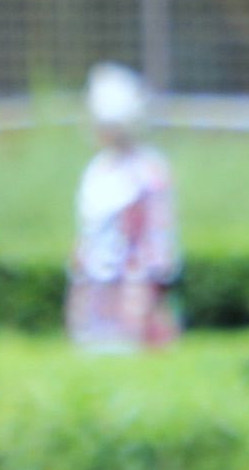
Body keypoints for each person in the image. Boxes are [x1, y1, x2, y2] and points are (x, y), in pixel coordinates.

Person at [68, 63, 179, 351]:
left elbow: (156, 233)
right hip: (97, 283)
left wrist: (152, 285)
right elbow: (89, 229)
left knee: (134, 347)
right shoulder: (97, 170)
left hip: (133, 281)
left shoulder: (148, 170)